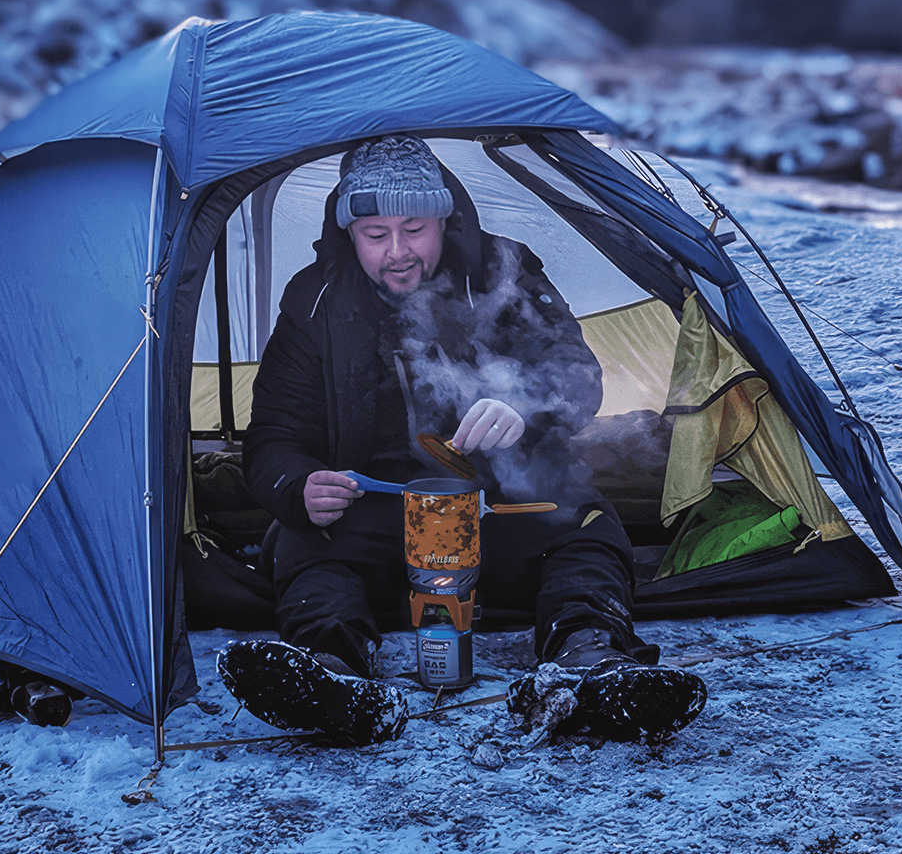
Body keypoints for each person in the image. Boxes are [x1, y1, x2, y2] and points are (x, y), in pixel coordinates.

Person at [217, 136, 705, 746]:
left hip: (502, 509)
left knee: (586, 529)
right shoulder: (314, 299)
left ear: (444, 216)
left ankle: (591, 660)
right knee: (300, 542)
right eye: (375, 234)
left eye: (414, 228)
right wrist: (297, 484)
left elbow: (579, 376)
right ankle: (333, 676)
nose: (397, 252)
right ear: (349, 231)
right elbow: (275, 436)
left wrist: (523, 407)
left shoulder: (505, 268)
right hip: (381, 514)